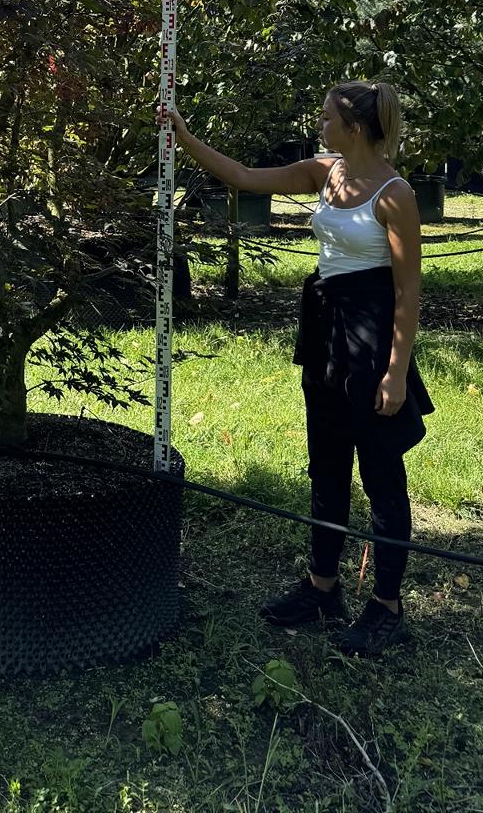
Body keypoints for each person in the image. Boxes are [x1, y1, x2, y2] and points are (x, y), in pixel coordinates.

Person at [169, 80, 431, 658]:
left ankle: (386, 605)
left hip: (370, 338)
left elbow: (408, 293)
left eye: (326, 117)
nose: (319, 124)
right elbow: (244, 177)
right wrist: (184, 138)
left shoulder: (395, 194)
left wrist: (394, 371)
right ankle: (322, 588)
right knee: (327, 465)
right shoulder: (324, 172)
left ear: (354, 127)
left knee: (382, 475)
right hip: (325, 334)